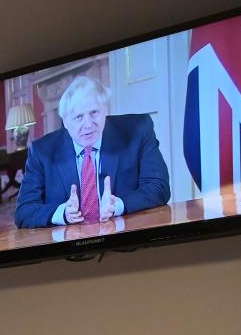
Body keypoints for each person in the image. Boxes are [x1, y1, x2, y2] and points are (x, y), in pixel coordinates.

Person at [14, 76, 171, 229]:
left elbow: (159, 187)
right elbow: (24, 211)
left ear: (105, 111)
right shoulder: (42, 151)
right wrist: (62, 214)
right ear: (65, 122)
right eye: (79, 117)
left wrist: (119, 205)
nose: (88, 124)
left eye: (94, 112)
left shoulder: (138, 130)